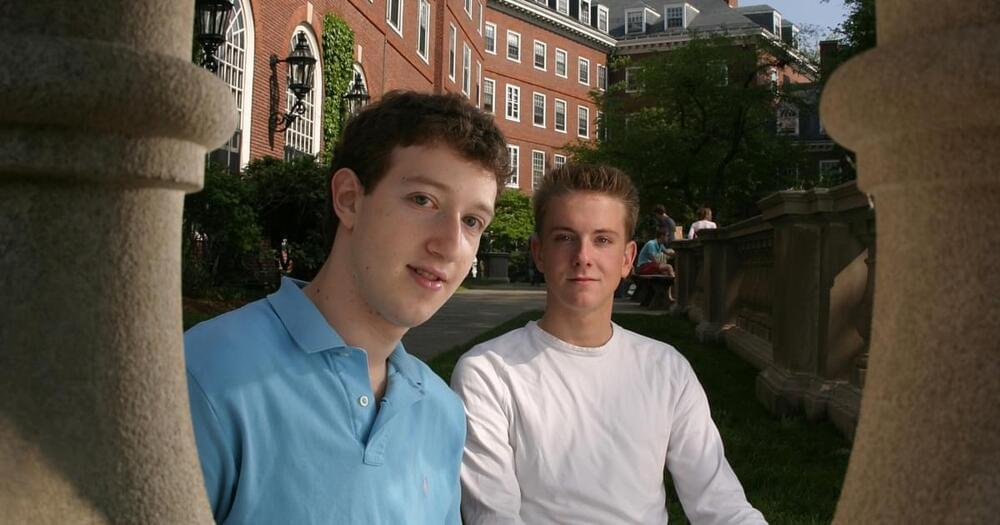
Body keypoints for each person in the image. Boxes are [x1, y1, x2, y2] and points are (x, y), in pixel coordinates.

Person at [184, 91, 510, 524]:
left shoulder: (443, 413)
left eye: (472, 221)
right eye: (423, 200)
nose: (450, 244)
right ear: (350, 199)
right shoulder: (206, 374)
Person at [451, 164, 766, 525]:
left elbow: (721, 504)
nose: (583, 256)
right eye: (565, 237)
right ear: (539, 253)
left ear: (628, 258)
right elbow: (494, 517)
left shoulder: (666, 369)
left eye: (602, 240)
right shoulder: (488, 373)